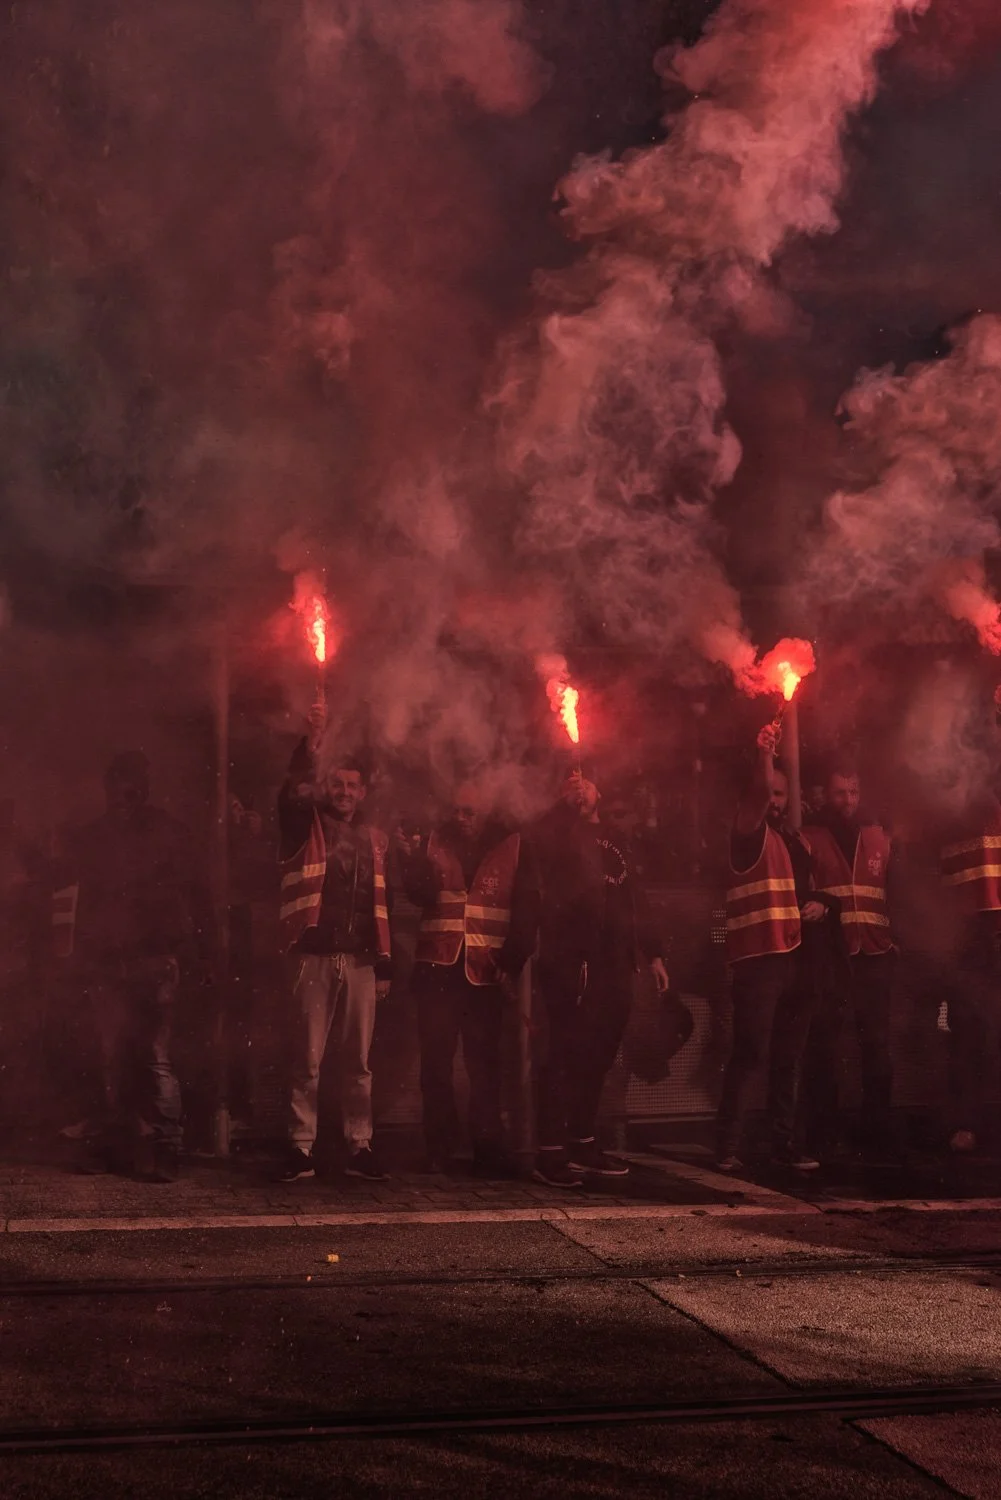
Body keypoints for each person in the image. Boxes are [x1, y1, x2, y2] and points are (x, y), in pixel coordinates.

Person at [52, 751, 215, 1181]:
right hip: (109, 960)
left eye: (130, 785)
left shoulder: (168, 833)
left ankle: (164, 1147)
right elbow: (74, 897)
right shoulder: (94, 838)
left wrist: (205, 953)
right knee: (111, 1054)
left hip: (155, 958)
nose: (122, 794)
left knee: (153, 1055)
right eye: (116, 785)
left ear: (143, 789)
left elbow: (198, 894)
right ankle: (115, 1144)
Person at [532, 771, 670, 1188]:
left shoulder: (614, 838)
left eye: (586, 784)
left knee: (598, 1059)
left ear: (600, 793)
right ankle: (549, 1152)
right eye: (570, 784)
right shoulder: (557, 833)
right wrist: (563, 808)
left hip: (615, 964)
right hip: (574, 963)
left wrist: (654, 952)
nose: (579, 788)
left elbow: (635, 897)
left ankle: (582, 1142)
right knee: (565, 1055)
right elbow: (542, 845)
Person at [276, 708, 396, 1182]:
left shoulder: (375, 839)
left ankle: (359, 1144)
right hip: (314, 957)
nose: (344, 792)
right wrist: (310, 747)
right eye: (337, 784)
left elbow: (383, 904)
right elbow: (290, 794)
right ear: (326, 787)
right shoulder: (305, 825)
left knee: (359, 1063)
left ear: (362, 792)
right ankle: (299, 1147)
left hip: (362, 960)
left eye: (352, 786)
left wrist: (384, 965)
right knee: (307, 1059)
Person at [401, 780, 540, 1175]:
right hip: (437, 971)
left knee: (484, 1065)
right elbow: (419, 894)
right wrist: (411, 860)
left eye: (469, 812)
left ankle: (487, 1148)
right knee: (436, 1064)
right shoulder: (432, 840)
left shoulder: (514, 844)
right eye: (456, 810)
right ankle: (439, 1148)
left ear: (487, 810)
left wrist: (511, 962)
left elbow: (528, 910)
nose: (460, 818)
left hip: (486, 973)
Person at [715, 724, 832, 1173]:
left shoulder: (795, 839)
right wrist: (764, 753)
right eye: (772, 794)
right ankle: (727, 1147)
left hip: (797, 958)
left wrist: (820, 904)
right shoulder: (748, 831)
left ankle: (782, 1144)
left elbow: (806, 888)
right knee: (751, 1054)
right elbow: (760, 792)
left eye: (783, 794)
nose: (777, 801)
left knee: (789, 1058)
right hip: (761, 960)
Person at [802, 766, 895, 1159]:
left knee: (876, 1045)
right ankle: (824, 1131)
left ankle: (878, 1130)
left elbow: (896, 889)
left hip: (875, 953)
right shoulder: (809, 837)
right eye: (841, 792)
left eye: (853, 792)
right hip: (833, 955)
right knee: (825, 1044)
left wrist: (896, 939)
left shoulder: (878, 837)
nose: (848, 800)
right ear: (827, 795)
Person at [937, 785, 1001, 1155]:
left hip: (985, 941)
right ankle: (966, 1123)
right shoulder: (947, 822)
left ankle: (970, 1124)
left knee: (973, 1037)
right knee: (967, 1037)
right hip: (968, 946)